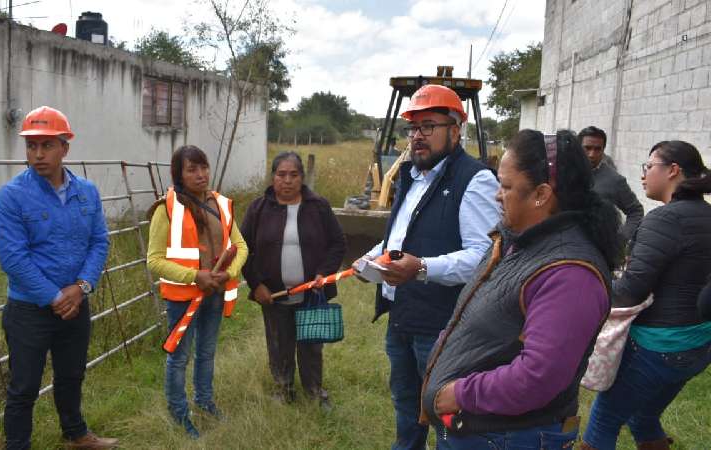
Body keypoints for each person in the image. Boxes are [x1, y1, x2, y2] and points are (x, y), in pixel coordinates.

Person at [419, 129, 622, 449]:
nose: (497, 195)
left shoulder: (570, 275)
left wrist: (459, 393)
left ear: (541, 194)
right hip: (473, 427)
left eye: (506, 186)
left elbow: (539, 377)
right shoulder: (516, 239)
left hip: (509, 437)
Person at [352, 84, 500, 450]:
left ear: (456, 129)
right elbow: (398, 239)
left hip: (442, 325)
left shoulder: (475, 179)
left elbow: (485, 257)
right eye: (413, 128)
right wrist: (373, 257)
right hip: (402, 315)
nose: (417, 136)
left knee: (446, 415)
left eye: (428, 126)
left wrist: (421, 270)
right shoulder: (411, 175)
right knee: (406, 406)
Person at [0, 106, 116, 449]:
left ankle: (76, 434)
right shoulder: (11, 197)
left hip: (76, 303)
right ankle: (17, 445)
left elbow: (98, 241)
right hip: (29, 309)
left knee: (72, 374)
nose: (38, 154)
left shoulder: (86, 192)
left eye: (47, 145)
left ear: (65, 148)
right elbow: (14, 259)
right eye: (31, 146)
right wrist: (57, 297)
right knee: (24, 386)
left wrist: (81, 287)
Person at [582, 141, 711, 450]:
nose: (644, 175)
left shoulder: (664, 220)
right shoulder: (707, 215)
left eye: (649, 166)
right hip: (699, 344)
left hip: (660, 345)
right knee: (643, 416)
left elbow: (630, 290)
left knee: (604, 419)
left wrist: (588, 290)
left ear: (672, 171)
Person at [146, 145, 248, 439]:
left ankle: (204, 402)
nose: (200, 174)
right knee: (179, 358)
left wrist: (228, 273)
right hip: (182, 300)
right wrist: (194, 276)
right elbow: (154, 260)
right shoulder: (167, 208)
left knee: (207, 353)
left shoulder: (221, 204)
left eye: (203, 167)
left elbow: (240, 246)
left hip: (214, 294)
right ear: (178, 173)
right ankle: (179, 414)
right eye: (192, 169)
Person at [240, 151, 346, 408]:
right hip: (273, 295)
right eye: (281, 174)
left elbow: (337, 244)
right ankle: (283, 389)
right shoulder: (258, 209)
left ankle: (314, 391)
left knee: (310, 343)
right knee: (279, 344)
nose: (287, 180)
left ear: (302, 178)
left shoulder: (318, 206)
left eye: (293, 175)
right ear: (273, 177)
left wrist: (324, 272)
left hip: (311, 293)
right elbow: (242, 250)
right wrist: (257, 285)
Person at [579, 126, 643, 241]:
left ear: (603, 150)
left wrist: (621, 239)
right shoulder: (563, 173)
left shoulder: (615, 180)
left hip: (598, 250)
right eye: (587, 148)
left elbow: (635, 211)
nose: (592, 154)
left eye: (597, 149)